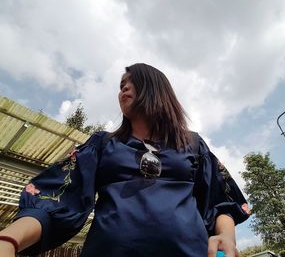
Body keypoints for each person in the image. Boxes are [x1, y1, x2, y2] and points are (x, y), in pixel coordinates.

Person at [0, 63, 250, 257]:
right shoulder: (102, 144)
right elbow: (58, 197)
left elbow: (221, 201)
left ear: (155, 87)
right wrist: (9, 239)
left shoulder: (193, 145)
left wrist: (227, 236)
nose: (123, 89)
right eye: (121, 86)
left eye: (132, 83)